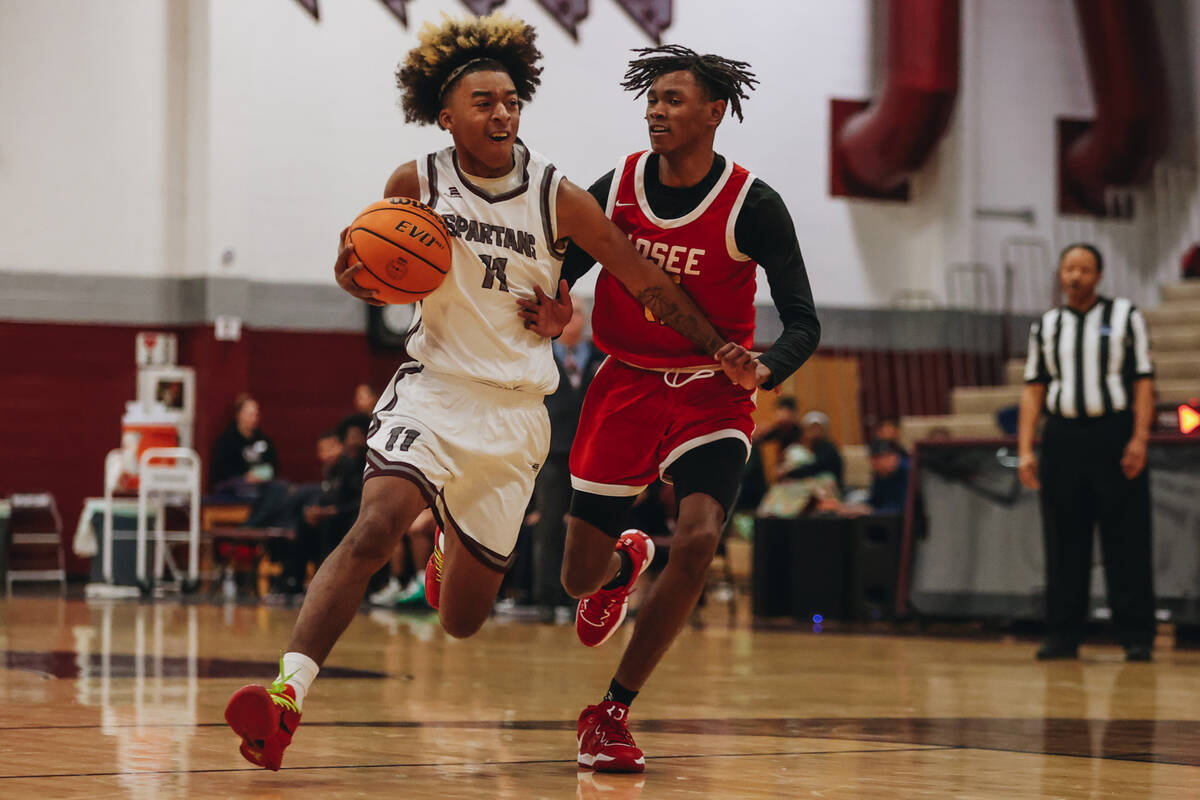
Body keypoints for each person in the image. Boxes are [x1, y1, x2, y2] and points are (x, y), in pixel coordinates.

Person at [222, 14, 758, 772]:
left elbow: (645, 279)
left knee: (464, 621)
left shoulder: (559, 197)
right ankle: (285, 698)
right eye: (484, 102)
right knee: (374, 529)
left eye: (510, 100)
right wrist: (354, 271)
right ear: (447, 115)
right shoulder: (415, 183)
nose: (502, 112)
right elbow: (363, 276)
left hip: (513, 416)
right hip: (434, 392)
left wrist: (718, 346)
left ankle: (496, 550)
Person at [545, 46, 820, 773]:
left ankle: (612, 712)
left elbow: (803, 320)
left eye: (672, 100)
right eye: (652, 100)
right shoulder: (620, 185)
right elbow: (562, 273)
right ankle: (617, 570)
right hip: (625, 381)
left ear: (714, 112)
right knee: (574, 575)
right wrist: (549, 305)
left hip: (711, 390)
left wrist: (767, 367)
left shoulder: (753, 203)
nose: (656, 111)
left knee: (699, 538)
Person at [1017, 243, 1156, 662]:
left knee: (1127, 539)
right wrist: (1025, 449)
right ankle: (1062, 634)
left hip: (1113, 434)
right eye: (1069, 268)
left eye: (1084, 268)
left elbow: (1144, 382)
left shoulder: (1126, 317)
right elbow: (1034, 389)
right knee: (1063, 540)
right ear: (1060, 275)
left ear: (1099, 275)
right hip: (1062, 438)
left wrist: (1139, 438)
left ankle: (1136, 636)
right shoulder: (1047, 325)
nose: (1075, 276)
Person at [532, 295, 606, 619]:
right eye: (570, 314)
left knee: (588, 529)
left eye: (579, 314)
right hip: (553, 455)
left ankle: (585, 597)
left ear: (587, 320)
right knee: (548, 528)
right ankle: (545, 598)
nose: (574, 319)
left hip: (593, 457)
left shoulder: (603, 359)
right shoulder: (541, 357)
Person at [209, 394, 278, 494]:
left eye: (256, 414)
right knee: (245, 488)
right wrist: (246, 476)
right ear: (239, 415)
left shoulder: (263, 439)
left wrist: (262, 476)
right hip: (237, 484)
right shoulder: (227, 441)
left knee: (280, 487)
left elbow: (273, 465)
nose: (254, 418)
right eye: (250, 414)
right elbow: (221, 470)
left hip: (261, 482)